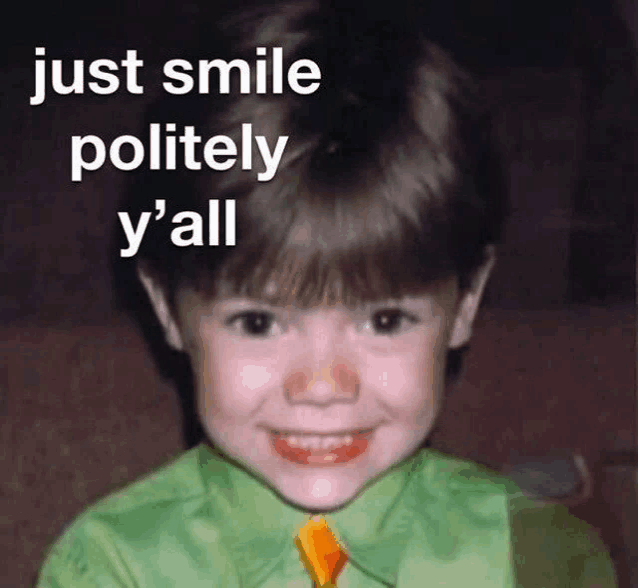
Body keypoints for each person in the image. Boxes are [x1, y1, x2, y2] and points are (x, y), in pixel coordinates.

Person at [37, 1, 617, 586]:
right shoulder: (109, 567)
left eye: (385, 320)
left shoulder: (544, 558)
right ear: (166, 307)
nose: (322, 387)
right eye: (258, 322)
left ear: (466, 301)